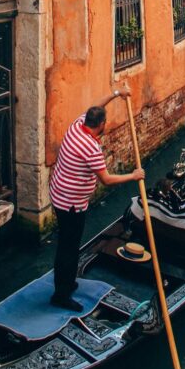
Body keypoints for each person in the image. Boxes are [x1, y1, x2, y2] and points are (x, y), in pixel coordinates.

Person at [49, 87, 144, 311]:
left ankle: (68, 282)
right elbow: (107, 180)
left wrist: (118, 93)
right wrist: (134, 175)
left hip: (59, 194)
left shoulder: (76, 126)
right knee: (68, 248)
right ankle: (61, 295)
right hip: (71, 204)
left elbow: (98, 105)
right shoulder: (91, 148)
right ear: (100, 125)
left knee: (67, 244)